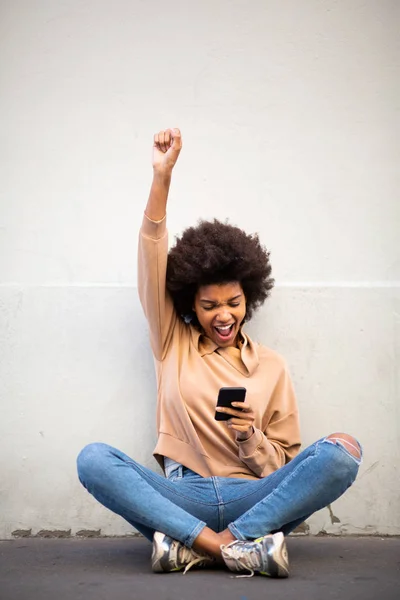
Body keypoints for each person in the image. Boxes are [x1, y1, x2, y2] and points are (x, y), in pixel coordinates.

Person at [77, 128, 362, 578]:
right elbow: (152, 255)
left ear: (250, 298)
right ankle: (231, 548)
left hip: (254, 497)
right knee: (92, 459)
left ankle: (199, 546)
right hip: (183, 495)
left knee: (343, 451)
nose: (224, 315)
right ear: (191, 304)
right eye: (209, 306)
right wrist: (161, 178)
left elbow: (287, 471)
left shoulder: (272, 366)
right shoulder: (171, 340)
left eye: (233, 303)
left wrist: (250, 436)